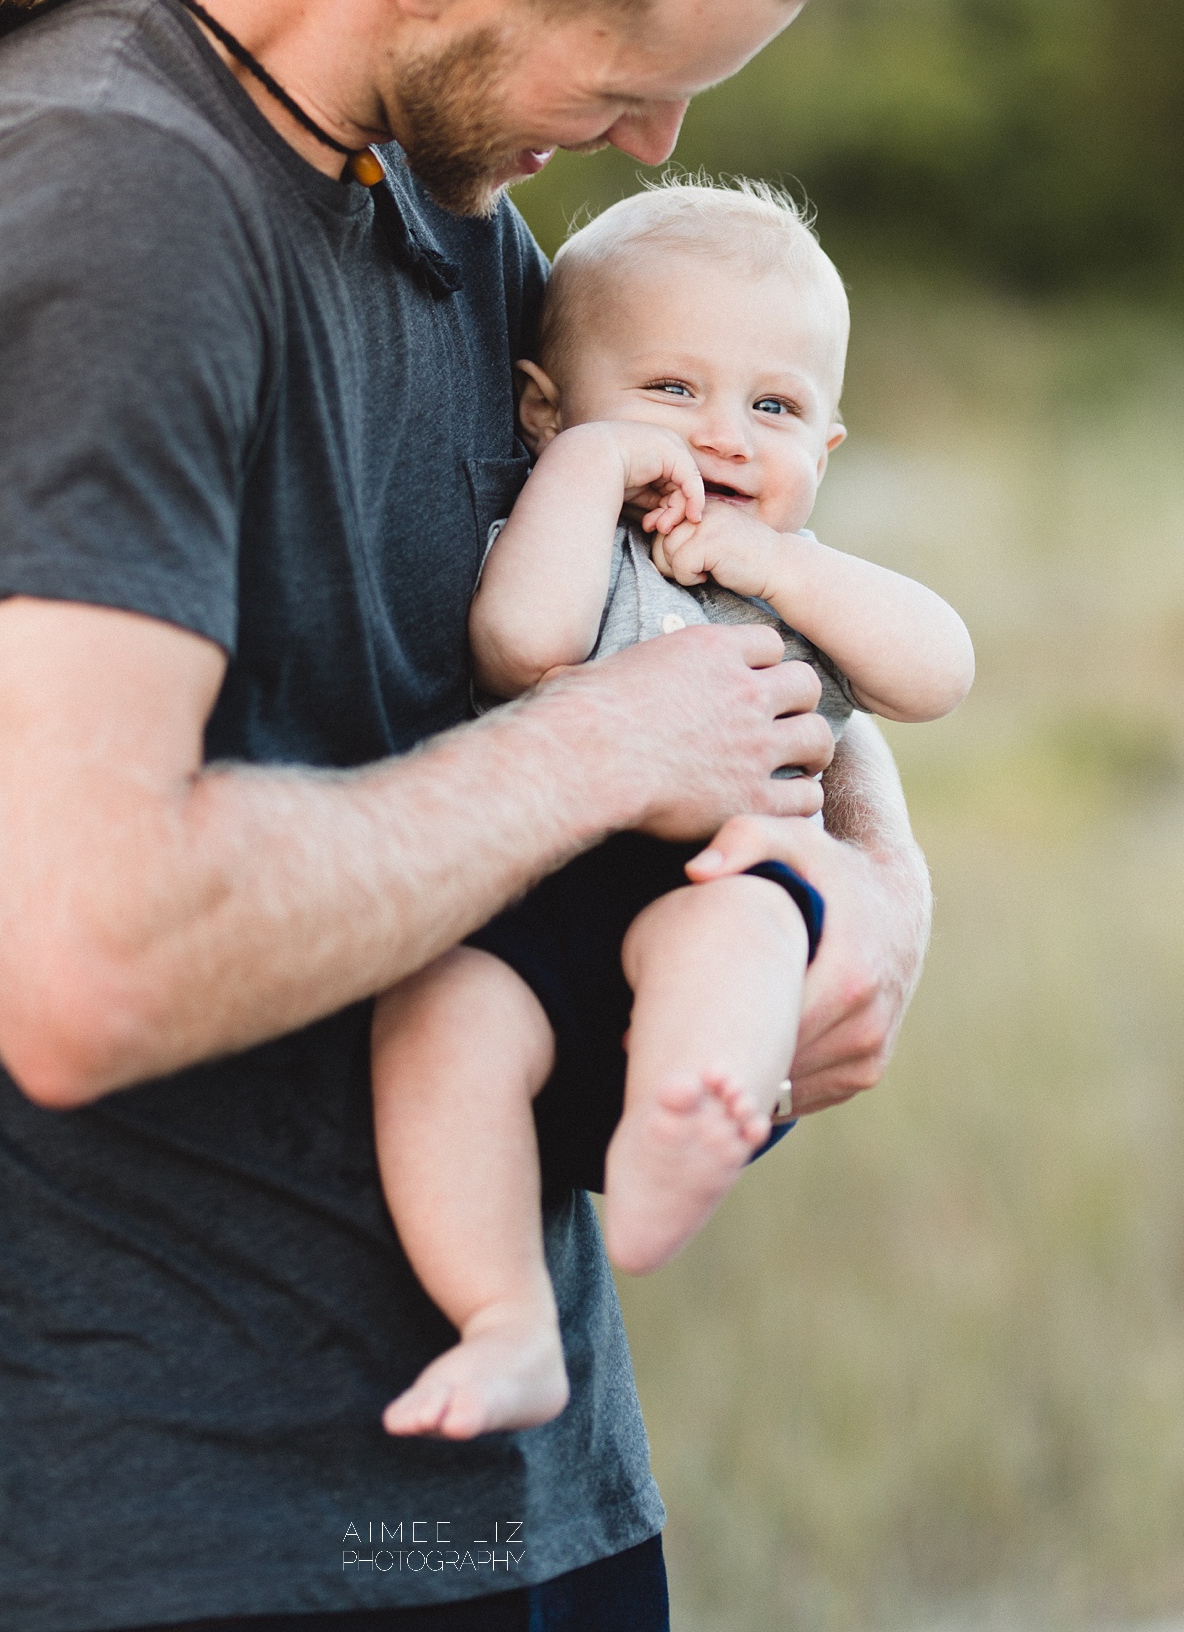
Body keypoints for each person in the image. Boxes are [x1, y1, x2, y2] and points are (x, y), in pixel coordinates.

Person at [0, 0, 932, 1631]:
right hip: (174, 1551)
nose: (662, 143)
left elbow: (657, 661)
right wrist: (600, 748)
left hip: (519, 1499)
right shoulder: (101, 221)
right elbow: (89, 956)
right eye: (639, 79)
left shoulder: (457, 219)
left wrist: (871, 895)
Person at [372, 182, 974, 1444]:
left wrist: (779, 567)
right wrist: (592, 472)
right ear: (544, 410)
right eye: (669, 390)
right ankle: (507, 1321)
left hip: (718, 888)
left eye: (774, 408)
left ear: (827, 448)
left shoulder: (796, 584)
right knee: (436, 1019)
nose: (722, 438)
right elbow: (518, 645)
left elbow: (938, 670)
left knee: (744, 931)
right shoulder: (561, 534)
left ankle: (682, 1119)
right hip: (538, 913)